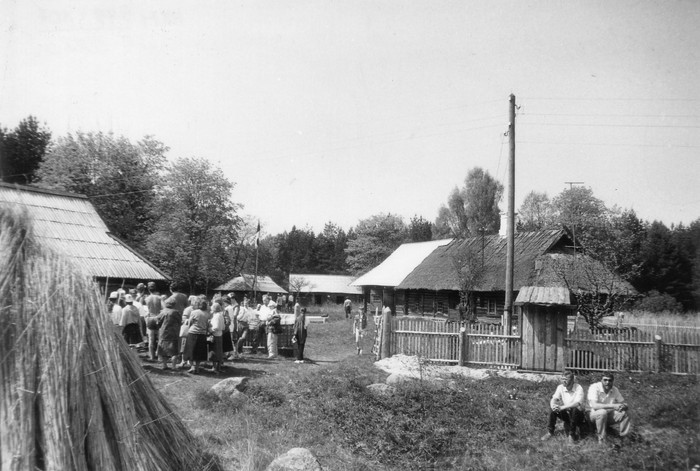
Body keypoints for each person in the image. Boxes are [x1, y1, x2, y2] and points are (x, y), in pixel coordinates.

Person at [587, 371, 631, 445]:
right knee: (602, 412)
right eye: (605, 380)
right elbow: (594, 406)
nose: (607, 382)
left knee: (625, 413)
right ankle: (602, 441)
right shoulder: (594, 387)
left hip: (608, 415)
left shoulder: (614, 389)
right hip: (593, 415)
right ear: (601, 380)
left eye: (610, 380)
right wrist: (613, 406)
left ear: (613, 381)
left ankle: (623, 438)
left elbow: (624, 402)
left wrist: (624, 406)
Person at [541, 371, 585, 442]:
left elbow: (577, 403)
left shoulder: (578, 388)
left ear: (572, 380)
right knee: (553, 409)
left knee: (574, 409)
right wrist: (553, 406)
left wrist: (562, 407)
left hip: (578, 415)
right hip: (567, 414)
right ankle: (550, 432)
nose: (564, 381)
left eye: (566, 379)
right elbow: (554, 398)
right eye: (562, 379)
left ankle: (571, 434)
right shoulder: (560, 387)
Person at [183, 298, 211, 374]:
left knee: (190, 351)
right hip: (202, 334)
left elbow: (189, 322)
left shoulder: (194, 312)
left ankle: (192, 366)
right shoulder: (208, 314)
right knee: (199, 352)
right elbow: (208, 324)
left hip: (193, 333)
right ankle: (197, 367)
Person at [157, 297, 182, 370]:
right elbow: (179, 321)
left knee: (164, 348)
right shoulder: (176, 312)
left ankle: (164, 365)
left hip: (164, 332)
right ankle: (173, 366)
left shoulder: (162, 312)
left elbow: (158, 321)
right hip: (174, 332)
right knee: (174, 349)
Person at [145, 281, 163, 361]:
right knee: (160, 339)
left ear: (148, 289)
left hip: (150, 318)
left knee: (151, 339)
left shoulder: (146, 298)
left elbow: (146, 310)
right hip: (158, 318)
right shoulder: (159, 298)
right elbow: (164, 308)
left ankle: (152, 356)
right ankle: (160, 357)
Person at [209, 302, 225, 373]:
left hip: (215, 335)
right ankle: (218, 367)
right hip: (220, 335)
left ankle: (214, 368)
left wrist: (210, 330)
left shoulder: (216, 316)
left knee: (214, 352)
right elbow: (223, 326)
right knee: (219, 352)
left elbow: (216, 327)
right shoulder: (220, 315)